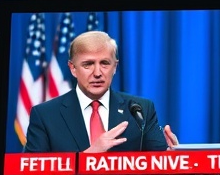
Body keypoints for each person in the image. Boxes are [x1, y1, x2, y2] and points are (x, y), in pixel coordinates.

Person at [25, 30, 178, 153]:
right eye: (88, 64)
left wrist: (172, 158)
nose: (97, 73)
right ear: (73, 68)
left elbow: (159, 167)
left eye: (104, 63)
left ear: (115, 66)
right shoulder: (45, 115)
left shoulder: (140, 110)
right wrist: (90, 156)